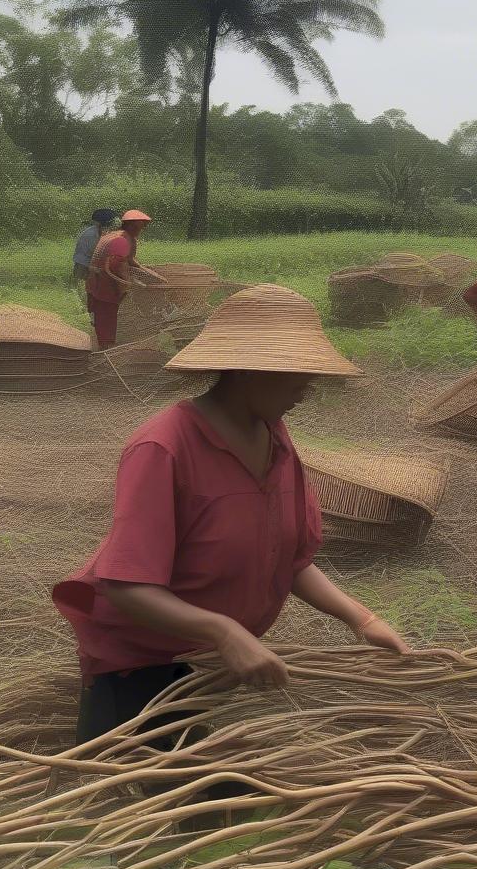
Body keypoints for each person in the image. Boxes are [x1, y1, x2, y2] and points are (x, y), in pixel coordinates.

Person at [52, 283, 410, 747]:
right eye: (296, 372)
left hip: (205, 661)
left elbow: (292, 560)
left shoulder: (275, 438)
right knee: (137, 791)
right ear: (246, 371)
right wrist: (223, 632)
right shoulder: (163, 448)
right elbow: (127, 586)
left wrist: (362, 619)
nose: (308, 386)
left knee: (205, 781)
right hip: (138, 662)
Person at [86, 209, 165, 350]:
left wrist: (148, 272)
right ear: (130, 226)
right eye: (139, 227)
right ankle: (106, 350)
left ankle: (104, 344)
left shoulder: (114, 236)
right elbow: (119, 265)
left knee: (103, 317)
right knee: (106, 317)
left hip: (95, 282)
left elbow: (129, 260)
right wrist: (126, 285)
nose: (141, 230)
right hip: (105, 285)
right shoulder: (121, 240)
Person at [73, 209, 117, 302]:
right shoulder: (92, 234)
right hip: (84, 266)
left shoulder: (97, 231)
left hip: (87, 264)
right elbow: (98, 252)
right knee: (85, 292)